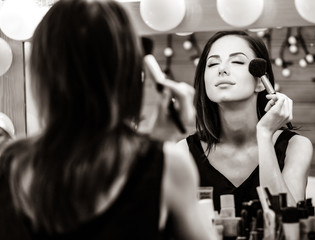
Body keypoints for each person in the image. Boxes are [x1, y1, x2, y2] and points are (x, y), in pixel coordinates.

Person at [0, 0, 216, 239]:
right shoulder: (169, 166)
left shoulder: (11, 165)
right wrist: (158, 150)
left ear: (41, 72)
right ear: (128, 71)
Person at [178, 31, 313, 216]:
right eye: (213, 63)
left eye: (237, 61)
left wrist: (264, 134)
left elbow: (289, 223)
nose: (222, 69)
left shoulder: (295, 147)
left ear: (260, 81)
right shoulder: (182, 153)